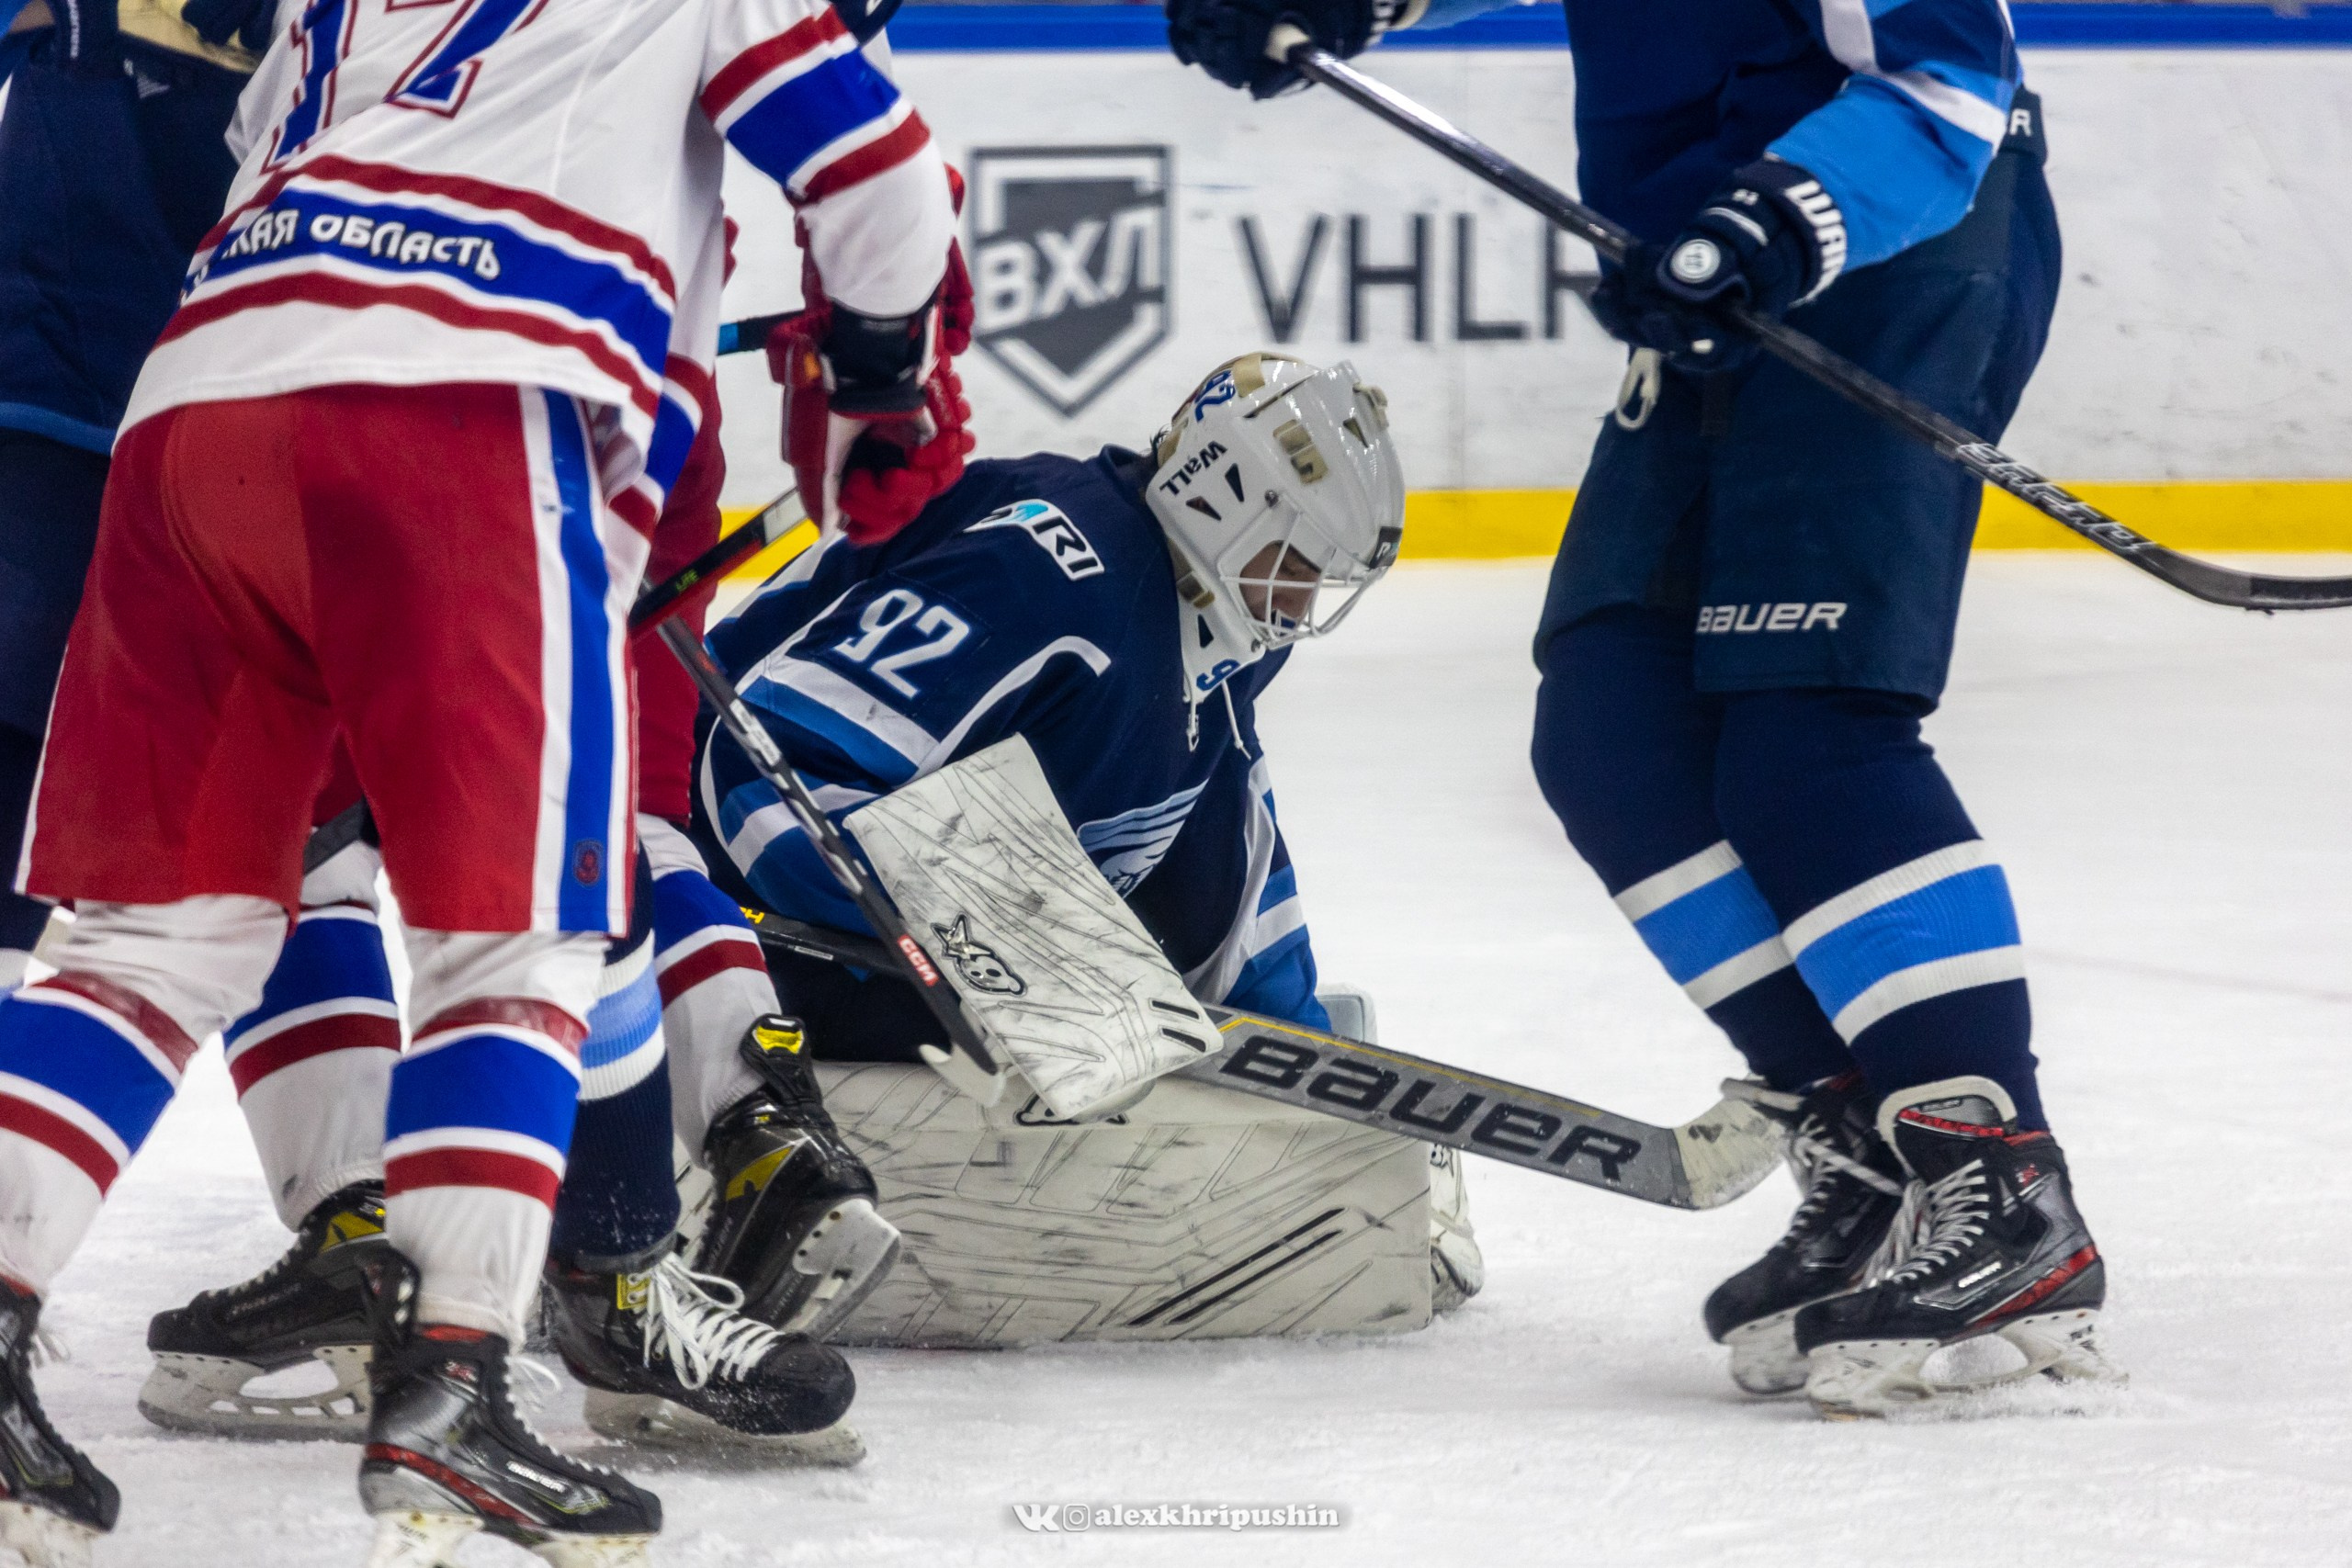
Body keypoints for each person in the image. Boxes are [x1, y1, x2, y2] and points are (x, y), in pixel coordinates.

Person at [0, 0, 966, 1555]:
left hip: (195, 405)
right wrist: (880, 386)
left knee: (140, 942)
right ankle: (456, 1392)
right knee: (514, 940)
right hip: (462, 406)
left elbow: (270, 146)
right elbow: (881, 169)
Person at [1161, 0, 2115, 1416]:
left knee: (1808, 732)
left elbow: (1950, 81)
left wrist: (1774, 224)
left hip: (1889, 247)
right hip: (1713, 273)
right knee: (1614, 731)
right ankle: (1861, 1134)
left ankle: (1997, 1176)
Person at [688, 350, 1483, 1318]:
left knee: (1182, 920)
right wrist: (967, 953)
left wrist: (1309, 1066)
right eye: (1296, 563)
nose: (1301, 605)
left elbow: (1233, 850)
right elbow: (760, 763)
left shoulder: (1218, 615)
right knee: (1031, 1037)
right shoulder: (1046, 575)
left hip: (944, 892)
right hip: (720, 894)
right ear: (1223, 499)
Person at [0, 0, 259, 989]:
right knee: (18, 685)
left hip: (243, 317)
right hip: (63, 320)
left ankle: (341, 1146)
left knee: (273, 791)